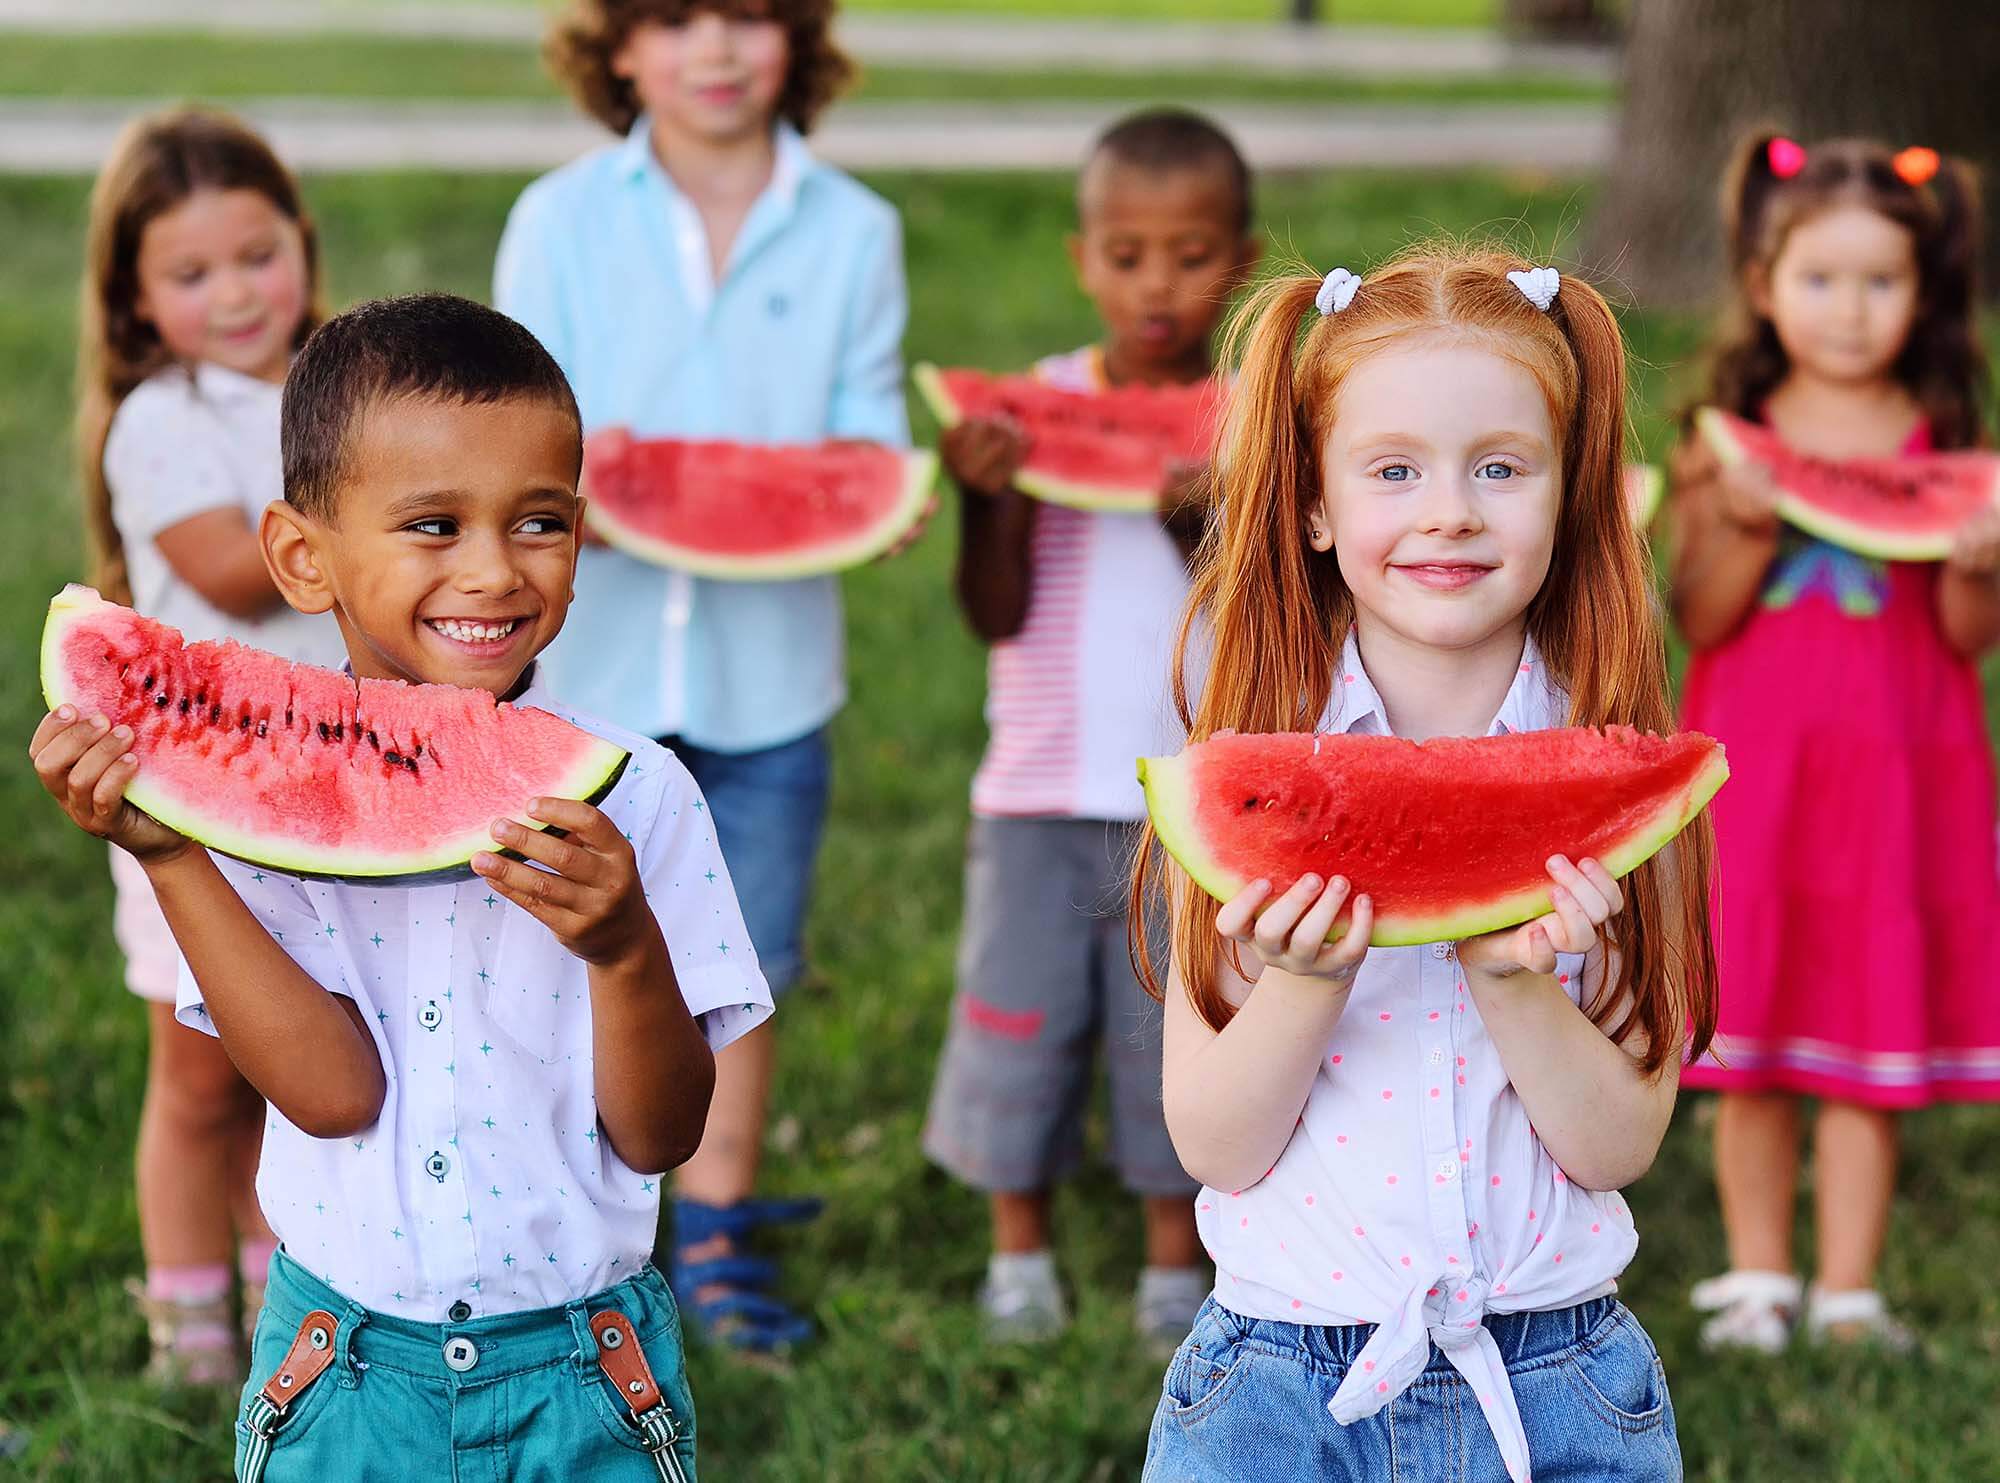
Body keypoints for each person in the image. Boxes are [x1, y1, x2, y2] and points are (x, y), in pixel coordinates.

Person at [32, 293, 771, 1480]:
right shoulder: (254, 805)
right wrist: (171, 851)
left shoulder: (642, 798)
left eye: (538, 522)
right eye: (433, 525)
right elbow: (328, 1094)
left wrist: (627, 949)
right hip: (342, 1368)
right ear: (301, 557)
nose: (491, 569)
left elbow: (660, 1132)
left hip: (587, 1368)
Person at [1134, 245, 1717, 1482]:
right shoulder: (1241, 771)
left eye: (1498, 469)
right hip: (1277, 1387)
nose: (1447, 509)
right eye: (1392, 469)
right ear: (1312, 504)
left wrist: (1513, 984)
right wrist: (1300, 978)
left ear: (1570, 495)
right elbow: (1214, 1143)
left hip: (1557, 1378)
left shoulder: (1619, 797)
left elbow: (1616, 1147)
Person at [495, 0, 906, 1351]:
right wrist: (559, 490)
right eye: (674, 19)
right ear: (617, 49)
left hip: (771, 680)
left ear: (798, 39)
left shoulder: (856, 228)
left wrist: (853, 491)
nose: (715, 48)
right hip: (582, 673)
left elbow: (868, 437)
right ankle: (565, 1201)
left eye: (748, 16)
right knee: (559, 947)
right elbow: (513, 427)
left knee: (755, 953)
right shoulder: (556, 218)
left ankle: (717, 1219)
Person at [922, 109, 1258, 1353]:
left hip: (1198, 795)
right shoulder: (1039, 406)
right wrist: (982, 498)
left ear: (1242, 259)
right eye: (1126, 256)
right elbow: (991, 611)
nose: (1154, 284)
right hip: (1035, 789)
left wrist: (1190, 512)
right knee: (1017, 1019)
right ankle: (1019, 1248)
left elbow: (1261, 606)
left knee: (1169, 1019)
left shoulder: (1254, 423)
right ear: (1082, 259)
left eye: (1187, 254)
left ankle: (1176, 1261)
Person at [1672, 133, 2000, 1353]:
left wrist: (1977, 562)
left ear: (1923, 294)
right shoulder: (1725, 435)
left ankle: (1850, 1289)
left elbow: (1969, 636)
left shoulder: (1941, 433)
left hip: (1898, 787)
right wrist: (1743, 528)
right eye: (1819, 279)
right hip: (1754, 786)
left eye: (1880, 282)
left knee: (1874, 1040)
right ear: (1762, 284)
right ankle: (1757, 1279)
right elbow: (1696, 611)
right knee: (1747, 1045)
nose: (1850, 311)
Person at [75, 105, 347, 1384]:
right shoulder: (159, 417)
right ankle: (185, 1343)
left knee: (294, 1058)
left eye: (258, 255)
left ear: (301, 239)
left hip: (325, 791)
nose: (236, 294)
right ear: (134, 301)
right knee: (196, 1078)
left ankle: (274, 1294)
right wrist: (382, 520)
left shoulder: (341, 390)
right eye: (190, 274)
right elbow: (237, 575)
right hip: (185, 801)